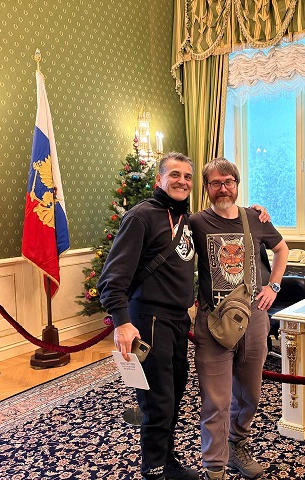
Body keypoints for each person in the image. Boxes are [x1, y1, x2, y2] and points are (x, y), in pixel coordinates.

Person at [98, 152, 199, 480]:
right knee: (158, 401)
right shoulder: (141, 216)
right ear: (159, 179)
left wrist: (256, 214)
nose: (182, 181)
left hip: (178, 321)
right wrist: (122, 322)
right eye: (175, 175)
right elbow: (112, 277)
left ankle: (166, 461)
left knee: (175, 392)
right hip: (149, 320)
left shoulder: (186, 218)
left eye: (187, 176)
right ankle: (154, 470)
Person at [190, 158, 289, 480]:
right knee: (216, 401)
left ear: (237, 184)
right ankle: (214, 467)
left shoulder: (255, 218)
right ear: (206, 187)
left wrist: (274, 286)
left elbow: (282, 249)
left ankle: (237, 444)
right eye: (215, 183)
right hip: (213, 322)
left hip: (254, 318)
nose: (223, 188)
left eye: (228, 182)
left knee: (250, 395)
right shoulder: (196, 222)